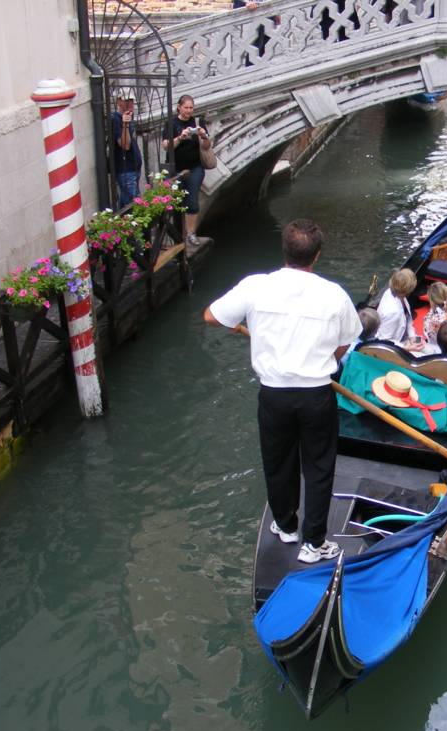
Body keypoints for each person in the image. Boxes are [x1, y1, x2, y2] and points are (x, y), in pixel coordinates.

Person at [203, 219, 361, 564]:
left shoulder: (256, 286)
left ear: (284, 251)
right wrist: (325, 359)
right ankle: (314, 543)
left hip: (274, 395)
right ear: (316, 256)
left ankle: (287, 526)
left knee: (278, 462)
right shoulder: (334, 294)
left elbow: (211, 317)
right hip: (317, 394)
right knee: (318, 467)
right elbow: (346, 341)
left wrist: (240, 324)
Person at [163, 95, 211, 247]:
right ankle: (179, 236)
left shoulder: (198, 122)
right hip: (175, 168)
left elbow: (207, 146)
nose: (189, 111)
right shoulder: (171, 123)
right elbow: (166, 146)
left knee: (192, 201)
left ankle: (191, 233)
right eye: (186, 108)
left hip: (195, 167)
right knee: (176, 202)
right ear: (179, 107)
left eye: (191, 108)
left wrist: (203, 135)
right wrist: (179, 138)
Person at [111, 90, 142, 209]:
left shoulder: (128, 118)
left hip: (133, 168)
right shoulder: (116, 119)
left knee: (126, 205)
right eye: (126, 101)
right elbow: (125, 145)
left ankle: (121, 226)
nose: (130, 104)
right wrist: (125, 124)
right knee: (133, 207)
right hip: (126, 169)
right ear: (119, 101)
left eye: (131, 101)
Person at [375, 268, 417, 343]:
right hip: (396, 345)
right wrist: (406, 348)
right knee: (430, 352)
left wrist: (412, 336)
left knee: (427, 348)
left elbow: (408, 320)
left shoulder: (393, 292)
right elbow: (384, 341)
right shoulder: (393, 313)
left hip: (405, 337)